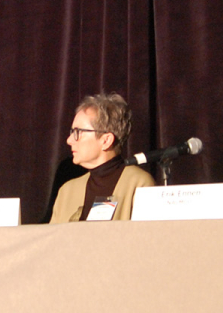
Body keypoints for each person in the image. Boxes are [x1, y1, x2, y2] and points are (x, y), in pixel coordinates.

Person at [50, 93, 155, 222]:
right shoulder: (67, 191)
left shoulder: (139, 184)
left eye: (78, 132)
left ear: (106, 140)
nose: (69, 140)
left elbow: (147, 239)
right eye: (72, 132)